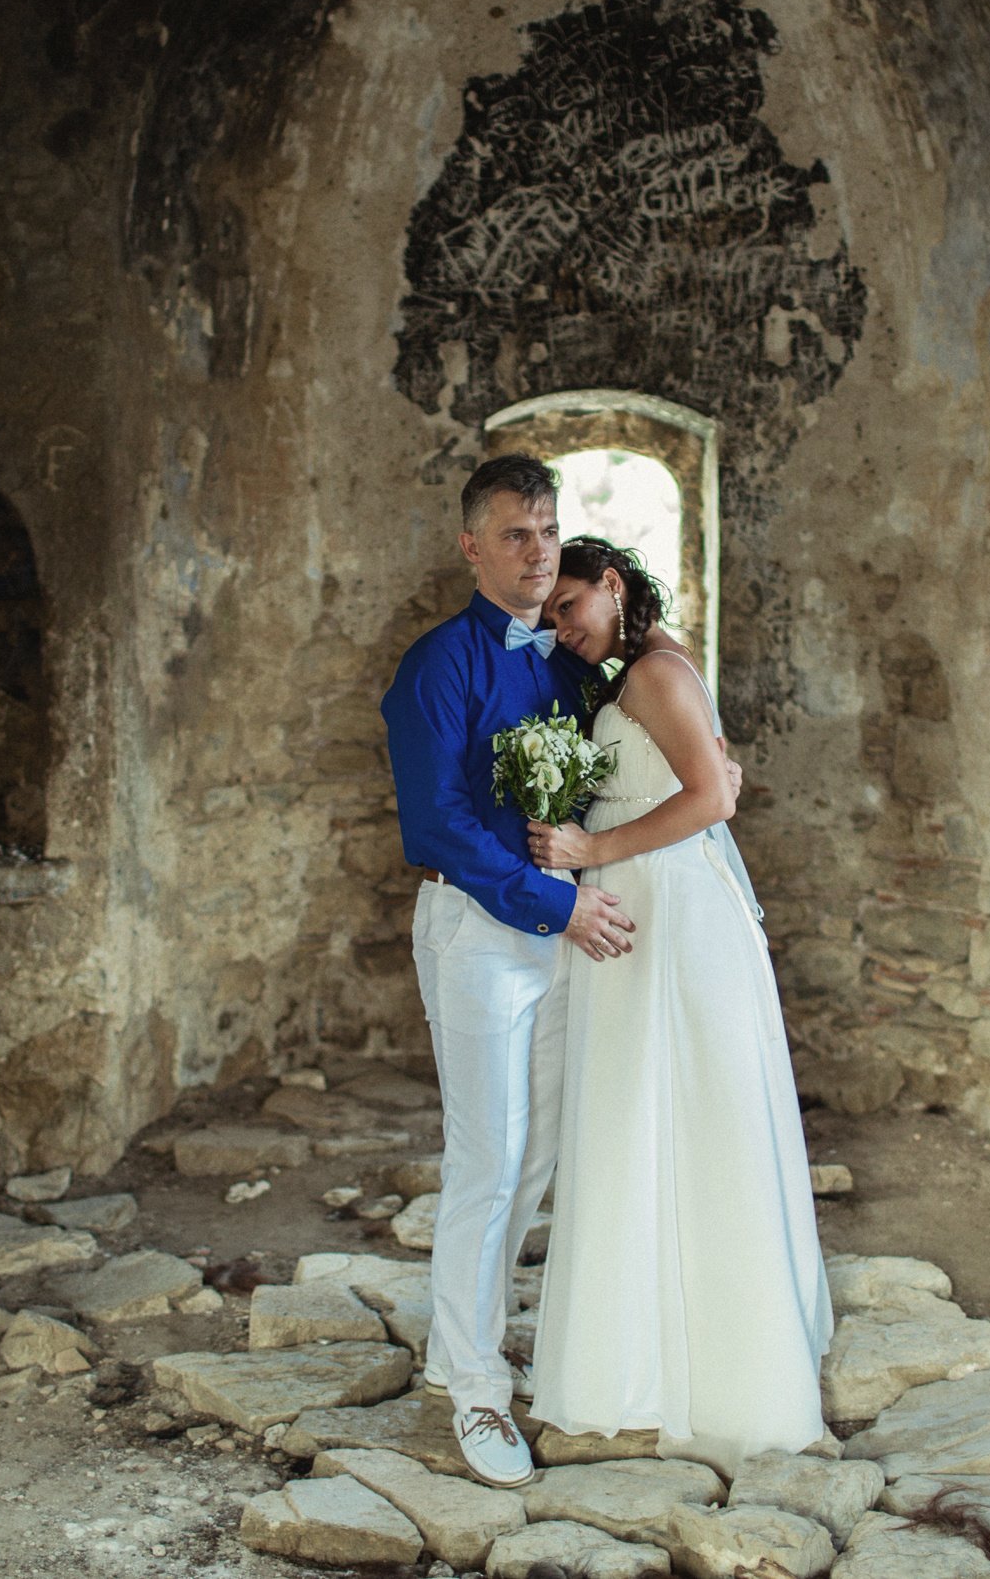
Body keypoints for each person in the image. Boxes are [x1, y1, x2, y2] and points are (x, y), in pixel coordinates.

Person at [523, 538, 833, 1475]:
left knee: (695, 1121)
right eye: (551, 615)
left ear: (613, 586)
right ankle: (648, 1357)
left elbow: (710, 800)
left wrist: (591, 849)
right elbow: (703, 780)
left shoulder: (656, 672)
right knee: (637, 1119)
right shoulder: (645, 670)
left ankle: (722, 1368)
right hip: (642, 913)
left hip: (675, 917)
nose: (562, 627)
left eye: (571, 605)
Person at [378, 455, 637, 1487]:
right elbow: (438, 820)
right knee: (487, 1161)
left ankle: (466, 1342)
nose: (537, 551)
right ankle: (476, 1391)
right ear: (471, 546)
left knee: (538, 1157)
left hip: (562, 930)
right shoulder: (437, 664)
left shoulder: (570, 664)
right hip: (478, 930)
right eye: (515, 534)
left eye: (548, 530)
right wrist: (557, 904)